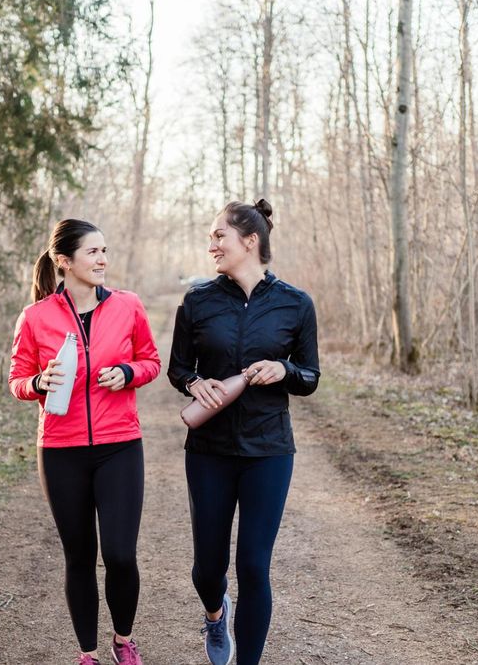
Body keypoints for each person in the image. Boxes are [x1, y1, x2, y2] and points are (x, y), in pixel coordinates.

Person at [167, 200, 320, 665]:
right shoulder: (199, 300)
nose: (210, 244)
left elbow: (310, 377)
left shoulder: (295, 303)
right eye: (211, 237)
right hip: (209, 450)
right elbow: (177, 369)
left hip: (269, 450)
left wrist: (283, 368)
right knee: (206, 570)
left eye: (219, 236)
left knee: (254, 565)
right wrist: (196, 382)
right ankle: (216, 616)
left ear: (249, 241)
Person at [9, 219, 161, 665]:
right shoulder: (35, 317)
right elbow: (17, 381)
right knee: (79, 557)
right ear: (64, 261)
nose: (102, 260)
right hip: (60, 452)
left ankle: (123, 639)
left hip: (119, 446)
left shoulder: (128, 306)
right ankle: (87, 653)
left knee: (120, 555)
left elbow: (150, 360)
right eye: (93, 252)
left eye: (104, 251)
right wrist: (39, 381)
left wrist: (128, 373)